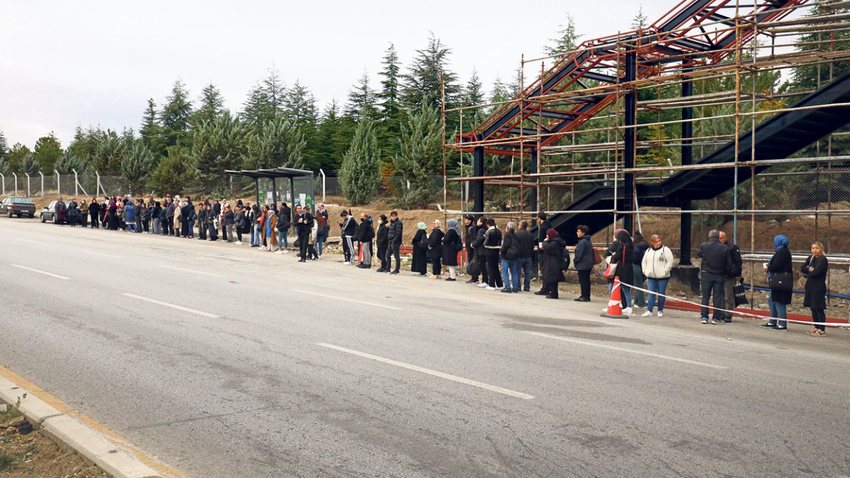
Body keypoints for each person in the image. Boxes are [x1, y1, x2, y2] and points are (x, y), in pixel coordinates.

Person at [697, 229, 734, 325]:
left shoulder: (704, 246)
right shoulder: (724, 248)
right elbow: (729, 263)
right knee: (717, 297)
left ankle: (704, 316)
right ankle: (716, 317)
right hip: (719, 275)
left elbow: (699, 254)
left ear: (709, 237)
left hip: (706, 274)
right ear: (718, 237)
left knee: (705, 296)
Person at [763, 234, 792, 330]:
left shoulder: (782, 252)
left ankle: (782, 323)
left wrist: (768, 268)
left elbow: (777, 264)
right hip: (777, 280)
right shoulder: (781, 251)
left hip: (780, 281)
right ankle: (772, 320)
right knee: (772, 300)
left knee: (779, 301)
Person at [642, 234, 675, 317]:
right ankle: (649, 310)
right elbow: (644, 261)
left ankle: (660, 310)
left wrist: (665, 271)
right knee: (651, 293)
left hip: (663, 277)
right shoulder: (648, 251)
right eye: (656, 242)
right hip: (651, 276)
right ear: (652, 243)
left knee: (661, 293)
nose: (658, 243)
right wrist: (645, 271)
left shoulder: (665, 250)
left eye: (659, 241)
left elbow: (670, 261)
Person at [802, 242, 828, 337]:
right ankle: (816, 326)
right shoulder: (811, 258)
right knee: (812, 307)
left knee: (818, 307)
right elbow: (803, 267)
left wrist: (808, 273)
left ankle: (822, 329)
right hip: (810, 285)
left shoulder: (822, 259)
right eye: (813, 248)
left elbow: (816, 272)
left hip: (818, 286)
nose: (814, 250)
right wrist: (809, 270)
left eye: (817, 248)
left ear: (821, 249)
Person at [719, 231, 743, 323]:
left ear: (725, 238)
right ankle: (721, 312)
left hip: (729, 275)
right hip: (719, 274)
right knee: (720, 295)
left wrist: (738, 274)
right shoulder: (717, 247)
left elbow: (738, 262)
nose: (719, 240)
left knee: (728, 295)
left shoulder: (732, 247)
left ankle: (728, 314)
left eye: (721, 238)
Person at [610, 230, 635, 315]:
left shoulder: (621, 245)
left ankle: (621, 305)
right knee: (627, 289)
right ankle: (628, 306)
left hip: (621, 268)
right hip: (629, 268)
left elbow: (618, 256)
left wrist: (614, 255)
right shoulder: (631, 246)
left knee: (617, 287)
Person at [538, 229, 567, 299]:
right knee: (551, 278)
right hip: (554, 262)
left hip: (553, 262)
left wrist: (544, 242)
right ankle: (552, 292)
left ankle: (554, 293)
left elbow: (548, 248)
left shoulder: (555, 242)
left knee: (552, 278)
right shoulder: (557, 241)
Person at [572, 225, 594, 301]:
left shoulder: (582, 242)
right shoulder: (588, 241)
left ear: (583, 233)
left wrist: (575, 261)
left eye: (579, 231)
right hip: (588, 263)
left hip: (583, 264)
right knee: (586, 280)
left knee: (583, 280)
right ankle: (587, 295)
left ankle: (584, 295)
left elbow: (579, 253)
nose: (577, 233)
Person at [513, 220, 535, 292]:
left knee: (518, 271)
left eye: (519, 225)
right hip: (528, 255)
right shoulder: (530, 234)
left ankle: (518, 286)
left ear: (521, 226)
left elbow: (515, 245)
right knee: (527, 272)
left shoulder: (517, 234)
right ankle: (527, 287)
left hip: (519, 255)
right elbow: (532, 245)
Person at [498, 221, 519, 293]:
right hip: (514, 255)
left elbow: (506, 244)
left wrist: (502, 251)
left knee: (505, 271)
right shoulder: (517, 235)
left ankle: (507, 286)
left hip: (506, 255)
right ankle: (515, 287)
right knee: (514, 271)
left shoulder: (507, 235)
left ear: (507, 228)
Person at [483, 218, 503, 290]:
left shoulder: (489, 231)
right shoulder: (499, 231)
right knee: (496, 267)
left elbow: (486, 242)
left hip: (490, 249)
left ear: (488, 224)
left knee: (490, 267)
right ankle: (499, 284)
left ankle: (492, 284)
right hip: (497, 250)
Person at [632, 231, 649, 308]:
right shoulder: (647, 246)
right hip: (646, 266)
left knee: (638, 285)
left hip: (636, 266)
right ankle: (637, 301)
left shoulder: (635, 247)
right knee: (639, 284)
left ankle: (641, 303)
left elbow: (635, 259)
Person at [472, 217, 489, 287]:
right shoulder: (484, 229)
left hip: (482, 250)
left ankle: (485, 281)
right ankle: (484, 280)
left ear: (481, 222)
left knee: (483, 266)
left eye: (478, 221)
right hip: (483, 250)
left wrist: (473, 244)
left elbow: (479, 239)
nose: (477, 222)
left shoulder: (481, 230)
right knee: (483, 265)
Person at [462, 215, 476, 283]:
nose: (465, 220)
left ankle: (474, 277)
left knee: (472, 262)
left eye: (467, 219)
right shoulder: (468, 228)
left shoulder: (471, 228)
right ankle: (473, 276)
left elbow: (471, 238)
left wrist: (470, 245)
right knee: (470, 261)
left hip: (471, 248)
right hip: (469, 247)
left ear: (470, 221)